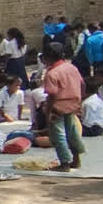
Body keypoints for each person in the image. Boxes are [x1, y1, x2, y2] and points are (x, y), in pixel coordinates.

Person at [42, 41, 87, 172]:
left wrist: (48, 111)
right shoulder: (71, 68)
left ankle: (65, 163)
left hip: (58, 108)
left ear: (47, 57)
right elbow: (82, 85)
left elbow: (52, 95)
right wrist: (80, 101)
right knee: (72, 133)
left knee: (58, 136)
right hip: (73, 105)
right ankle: (76, 159)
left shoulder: (52, 74)